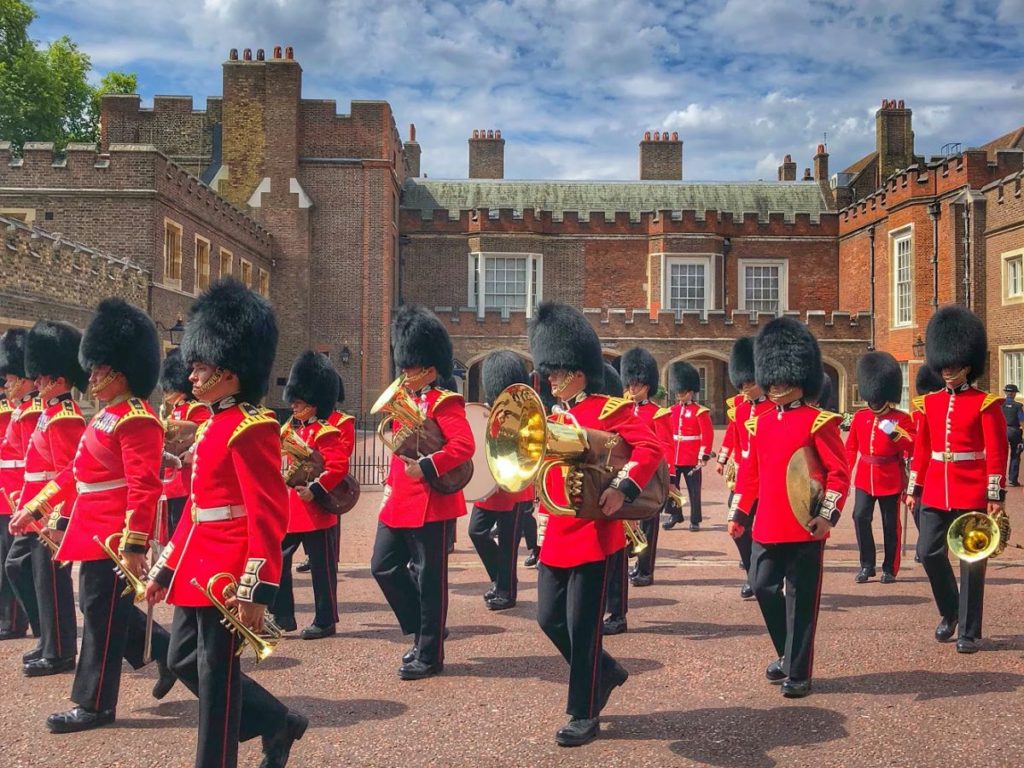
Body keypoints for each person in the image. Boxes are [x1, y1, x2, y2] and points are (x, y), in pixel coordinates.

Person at [145, 279, 307, 768]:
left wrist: (257, 588)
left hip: (230, 571)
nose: (192, 376)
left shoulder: (251, 426)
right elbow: (196, 508)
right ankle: (279, 720)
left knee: (217, 679)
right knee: (180, 659)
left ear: (230, 370)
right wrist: (166, 569)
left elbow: (268, 511)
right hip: (198, 563)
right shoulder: (213, 424)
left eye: (201, 367)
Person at [37, 299, 176, 732]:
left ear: (122, 372)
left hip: (115, 536)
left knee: (98, 613)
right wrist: (40, 506)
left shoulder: (137, 419)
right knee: (98, 607)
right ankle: (170, 656)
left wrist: (135, 546)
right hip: (92, 526)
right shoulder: (105, 416)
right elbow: (77, 473)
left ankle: (95, 703)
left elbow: (144, 487)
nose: (92, 376)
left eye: (100, 370)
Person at [529, 302, 663, 746]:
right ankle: (603, 671)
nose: (550, 379)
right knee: (550, 619)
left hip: (593, 535)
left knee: (583, 627)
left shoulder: (610, 410)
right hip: (556, 533)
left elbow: (649, 449)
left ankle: (583, 712)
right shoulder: (550, 417)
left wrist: (622, 490)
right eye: (548, 372)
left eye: (556, 372)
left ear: (578, 371)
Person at [730, 317, 850, 699]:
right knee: (763, 586)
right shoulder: (760, 424)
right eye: (773, 379)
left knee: (801, 601)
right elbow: (750, 475)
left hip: (803, 525)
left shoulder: (819, 422)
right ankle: (786, 652)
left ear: (801, 377)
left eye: (784, 379)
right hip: (766, 524)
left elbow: (838, 472)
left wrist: (826, 515)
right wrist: (739, 514)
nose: (777, 385)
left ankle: (798, 671)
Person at [370, 305, 473, 680]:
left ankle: (430, 654)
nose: (404, 372)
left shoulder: (446, 403)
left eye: (410, 367)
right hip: (400, 498)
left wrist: (427, 466)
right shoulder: (405, 400)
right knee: (382, 566)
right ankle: (424, 629)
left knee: (432, 582)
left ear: (429, 368)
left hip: (432, 501)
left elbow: (463, 447)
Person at [906, 305, 1007, 654]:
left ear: (968, 365)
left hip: (972, 489)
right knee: (928, 552)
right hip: (936, 487)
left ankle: (968, 630)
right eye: (944, 365)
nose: (948, 371)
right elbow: (922, 449)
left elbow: (997, 451)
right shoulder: (928, 404)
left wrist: (995, 494)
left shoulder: (986, 404)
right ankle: (951, 611)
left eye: (954, 365)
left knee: (971, 562)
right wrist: (913, 488)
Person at [7, 320, 86, 677]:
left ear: (57, 380)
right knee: (32, 574)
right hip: (37, 508)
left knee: (52, 585)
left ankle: (60, 652)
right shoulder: (49, 413)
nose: (34, 383)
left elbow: (69, 473)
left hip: (51, 513)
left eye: (40, 378)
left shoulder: (64, 417)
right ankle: (49, 642)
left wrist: (59, 521)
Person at [272, 351, 352, 639]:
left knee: (322, 569)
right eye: (294, 400)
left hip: (316, 509)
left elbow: (339, 466)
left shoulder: (324, 432)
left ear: (314, 403)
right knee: (279, 559)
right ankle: (282, 615)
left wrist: (316, 489)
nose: (294, 405)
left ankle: (325, 619)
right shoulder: (286, 431)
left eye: (300, 401)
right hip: (292, 510)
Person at [468, 350, 533, 611]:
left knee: (508, 543)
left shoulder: (526, 413)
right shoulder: (488, 411)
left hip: (514, 489)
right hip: (490, 489)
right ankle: (500, 578)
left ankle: (507, 592)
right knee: (476, 532)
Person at [845, 352, 915, 584]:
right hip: (865, 477)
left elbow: (912, 446)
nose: (873, 402)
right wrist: (844, 477)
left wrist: (894, 433)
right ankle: (867, 564)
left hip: (891, 477)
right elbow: (850, 449)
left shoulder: (901, 419)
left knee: (889, 525)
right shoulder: (860, 417)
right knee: (860, 517)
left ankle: (889, 568)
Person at [717, 337, 773, 599]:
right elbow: (735, 437)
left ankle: (769, 575)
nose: (746, 388)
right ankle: (753, 573)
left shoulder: (775, 408)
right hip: (745, 479)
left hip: (771, 480)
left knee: (768, 531)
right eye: (743, 383)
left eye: (750, 382)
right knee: (738, 527)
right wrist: (725, 458)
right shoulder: (739, 411)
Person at [619, 348, 673, 590]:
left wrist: (669, 478)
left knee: (649, 525)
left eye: (638, 383)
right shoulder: (624, 409)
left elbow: (665, 446)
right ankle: (633, 561)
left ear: (647, 385)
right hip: (627, 473)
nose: (633, 387)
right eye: (630, 382)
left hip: (649, 476)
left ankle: (645, 569)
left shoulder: (657, 413)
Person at [0, 329, 38, 640]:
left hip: (12, 491)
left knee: (9, 561)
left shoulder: (13, 410)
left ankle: (13, 620)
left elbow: (27, 458)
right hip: (8, 488)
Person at [158, 348, 211, 539]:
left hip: (186, 479)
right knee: (171, 529)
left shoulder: (196, 408)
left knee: (181, 529)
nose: (166, 391)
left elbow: (203, 432)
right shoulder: (173, 411)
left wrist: (191, 450)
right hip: (171, 479)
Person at [663, 361, 713, 531]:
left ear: (690, 393)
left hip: (692, 458)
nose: (679, 395)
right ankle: (675, 515)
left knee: (694, 491)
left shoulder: (700, 411)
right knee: (672, 489)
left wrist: (703, 455)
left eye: (682, 392)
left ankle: (695, 519)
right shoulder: (672, 411)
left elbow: (707, 435)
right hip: (675, 457)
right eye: (677, 391)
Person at [1002, 384, 1022, 486]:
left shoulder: (999, 404)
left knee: (1000, 455)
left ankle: (999, 478)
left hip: (1001, 431)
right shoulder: (1018, 406)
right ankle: (1013, 479)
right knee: (1015, 455)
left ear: (1005, 393)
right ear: (1014, 394)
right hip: (1014, 431)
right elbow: (1022, 421)